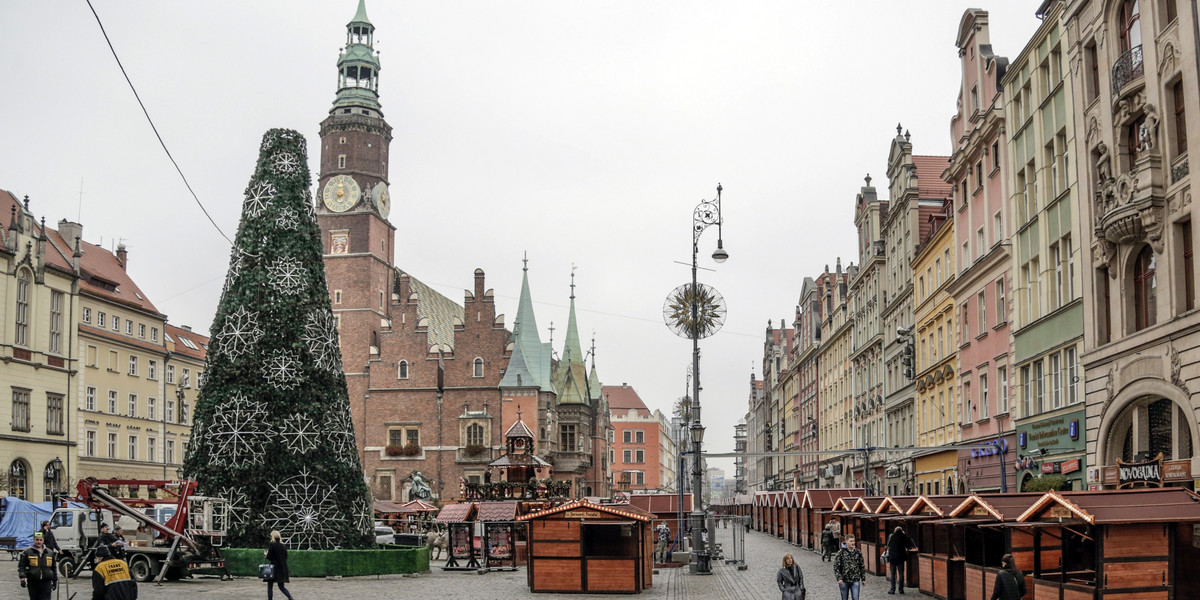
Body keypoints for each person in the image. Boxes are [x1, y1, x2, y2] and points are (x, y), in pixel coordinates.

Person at [18, 532, 57, 600]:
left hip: (46, 582)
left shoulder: (49, 553)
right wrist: (22, 578)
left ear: (43, 540)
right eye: (37, 540)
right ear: (34, 540)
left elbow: (54, 568)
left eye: (40, 540)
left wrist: (54, 580)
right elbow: (22, 566)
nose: (39, 542)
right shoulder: (27, 552)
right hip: (33, 582)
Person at [834, 534, 867, 600]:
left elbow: (861, 565)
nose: (853, 543)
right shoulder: (841, 553)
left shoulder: (857, 552)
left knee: (855, 598)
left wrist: (863, 578)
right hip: (844, 580)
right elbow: (836, 566)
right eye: (851, 541)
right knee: (844, 598)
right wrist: (839, 578)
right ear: (846, 541)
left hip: (855, 579)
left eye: (853, 541)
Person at [886, 525, 916, 594]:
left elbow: (888, 545)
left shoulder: (892, 536)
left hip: (893, 557)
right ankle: (901, 589)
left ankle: (892, 589)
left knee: (893, 574)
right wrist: (904, 534)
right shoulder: (903, 536)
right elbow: (908, 544)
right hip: (901, 557)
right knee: (901, 573)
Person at [265, 530, 294, 600]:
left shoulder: (272, 544)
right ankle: (290, 597)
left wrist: (266, 554)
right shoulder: (283, 545)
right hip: (282, 568)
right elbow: (286, 556)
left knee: (270, 586)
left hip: (274, 569)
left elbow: (269, 557)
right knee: (281, 586)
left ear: (273, 536)